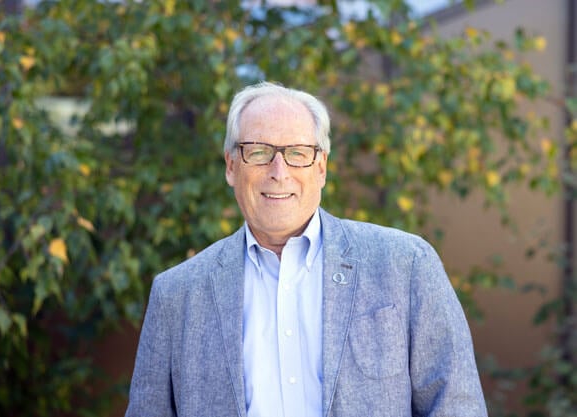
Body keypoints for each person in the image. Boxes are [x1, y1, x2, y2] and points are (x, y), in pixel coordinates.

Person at [125, 82, 488, 417]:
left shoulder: (405, 265)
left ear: (322, 167)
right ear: (232, 165)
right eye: (259, 152)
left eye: (297, 153)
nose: (279, 171)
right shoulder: (177, 295)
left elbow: (456, 406)